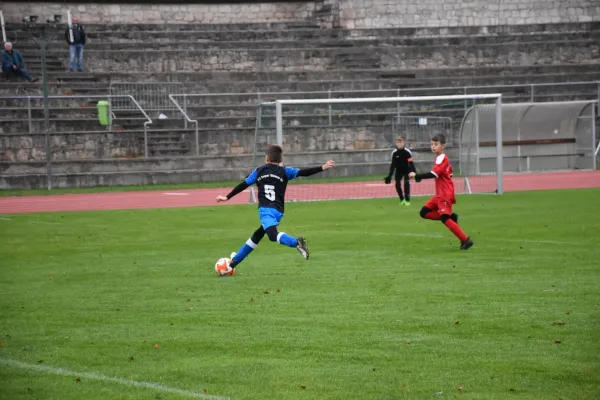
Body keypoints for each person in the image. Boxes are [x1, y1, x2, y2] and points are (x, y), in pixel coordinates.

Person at [216, 145, 335, 269]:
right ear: (282, 159)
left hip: (266, 210)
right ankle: (234, 261)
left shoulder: (259, 171)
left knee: (272, 235)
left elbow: (243, 185)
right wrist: (323, 167)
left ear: (266, 159)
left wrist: (227, 197)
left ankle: (297, 242)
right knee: (258, 235)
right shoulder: (285, 171)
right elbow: (304, 173)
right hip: (278, 211)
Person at [409, 134, 473, 250]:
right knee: (424, 212)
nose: (433, 146)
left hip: (444, 194)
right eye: (432, 144)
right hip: (440, 193)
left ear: (443, 146)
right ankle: (451, 218)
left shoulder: (442, 158)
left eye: (436, 144)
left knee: (444, 218)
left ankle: (465, 240)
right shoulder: (441, 158)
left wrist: (417, 175)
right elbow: (450, 173)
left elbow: (434, 173)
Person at [384, 136, 415, 206]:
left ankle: (407, 200)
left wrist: (414, 172)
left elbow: (411, 163)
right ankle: (402, 200)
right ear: (396, 143)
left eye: (401, 142)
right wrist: (389, 176)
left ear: (404, 143)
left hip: (407, 170)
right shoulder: (394, 153)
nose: (399, 144)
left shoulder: (407, 152)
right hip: (399, 171)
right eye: (398, 142)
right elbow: (393, 165)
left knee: (406, 184)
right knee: (397, 185)